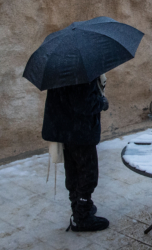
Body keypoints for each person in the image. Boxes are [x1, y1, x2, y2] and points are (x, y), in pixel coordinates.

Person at [42, 74, 110, 232]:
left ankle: (79, 207)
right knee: (88, 174)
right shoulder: (82, 75)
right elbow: (84, 104)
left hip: (65, 130)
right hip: (80, 132)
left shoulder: (62, 71)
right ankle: (82, 218)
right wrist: (102, 103)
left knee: (73, 171)